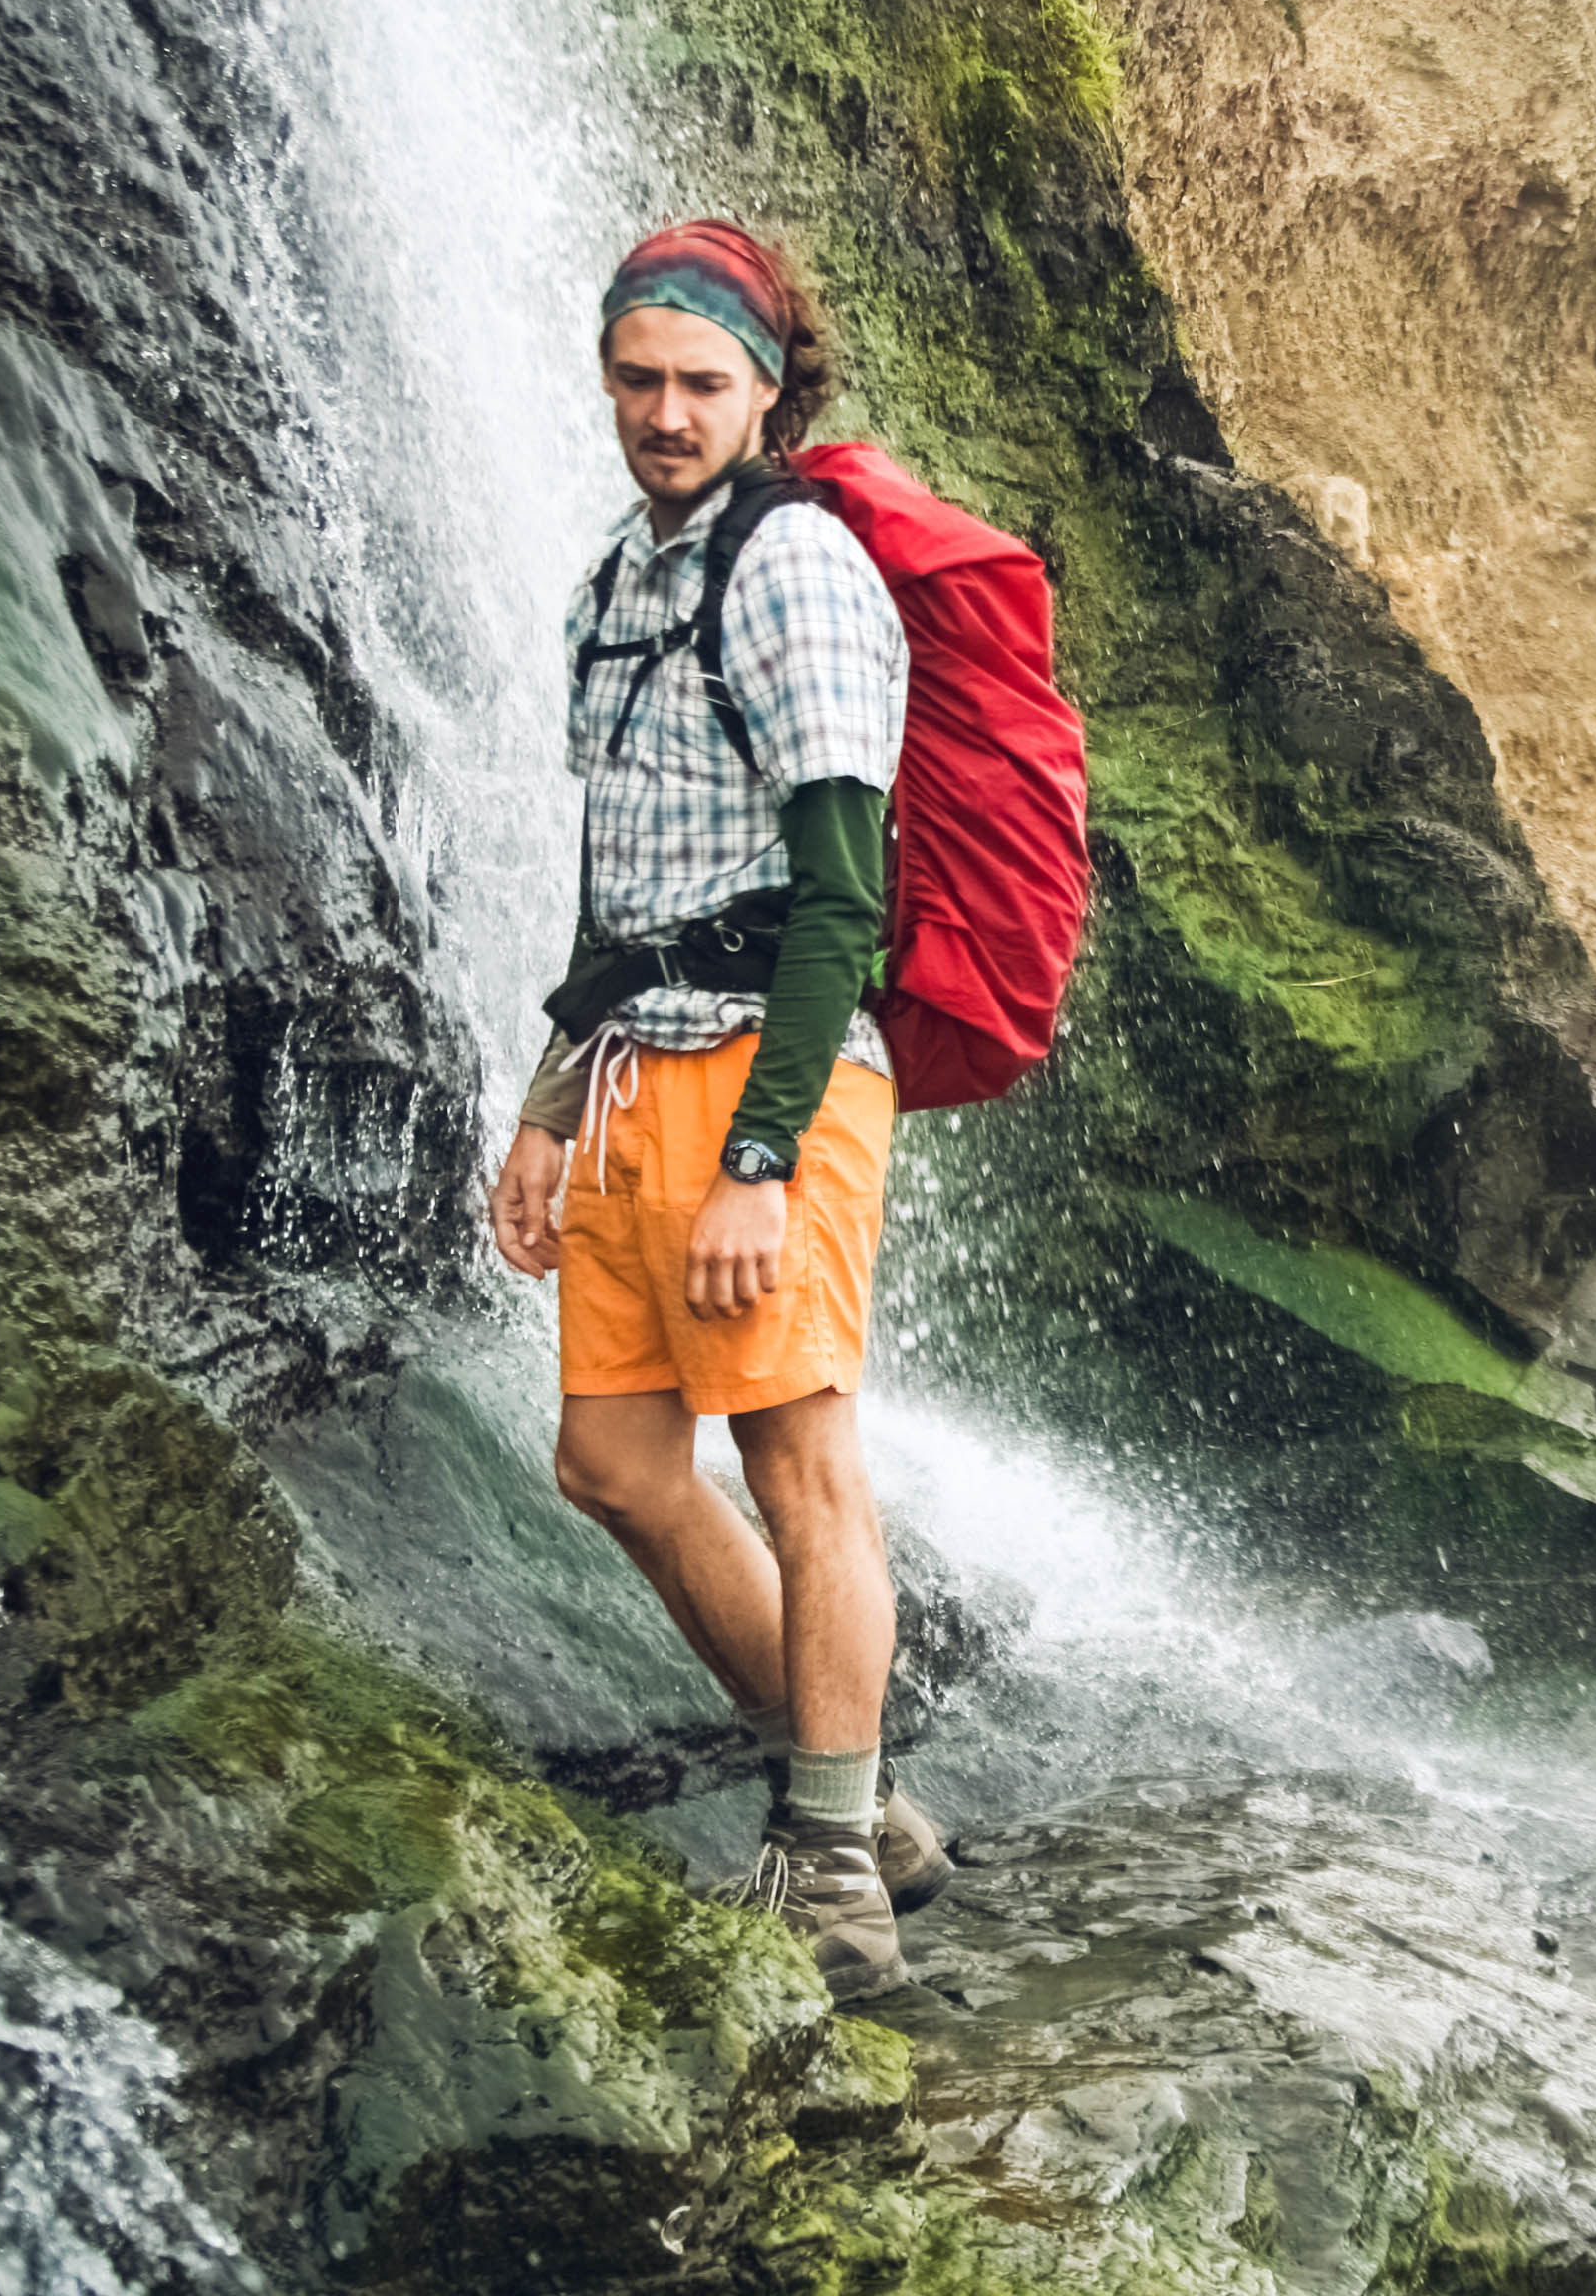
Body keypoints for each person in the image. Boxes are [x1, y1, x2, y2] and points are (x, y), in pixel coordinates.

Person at [483, 220, 941, 2000]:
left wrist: (762, 1155)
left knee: (799, 1463)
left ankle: (827, 1869)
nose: (666, 413)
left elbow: (846, 894)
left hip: (775, 1073)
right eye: (639, 379)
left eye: (701, 383)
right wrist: (542, 1098)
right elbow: (620, 884)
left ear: (766, 389)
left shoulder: (795, 569)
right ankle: (864, 1798)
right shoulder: (619, 577)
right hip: (624, 1071)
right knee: (611, 1462)